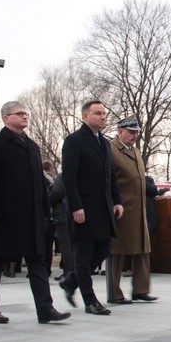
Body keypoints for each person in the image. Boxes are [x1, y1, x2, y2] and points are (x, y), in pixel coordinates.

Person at [0, 101, 72, 325]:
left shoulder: (31, 146)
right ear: (5, 118)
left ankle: (45, 308)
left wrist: (44, 212)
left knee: (37, 263)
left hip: (31, 218)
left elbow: (39, 183)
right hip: (5, 216)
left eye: (25, 113)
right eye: (19, 114)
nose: (24, 117)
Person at [60, 100, 123, 315]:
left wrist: (117, 200)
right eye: (98, 113)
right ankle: (90, 301)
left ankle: (71, 280)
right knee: (84, 255)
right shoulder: (74, 141)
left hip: (103, 209)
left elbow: (110, 176)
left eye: (104, 113)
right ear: (85, 116)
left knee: (103, 250)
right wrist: (76, 207)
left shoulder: (104, 143)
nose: (103, 117)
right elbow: (69, 178)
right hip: (83, 209)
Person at [106, 117, 158, 305]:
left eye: (136, 132)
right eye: (131, 132)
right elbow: (108, 180)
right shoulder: (110, 150)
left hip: (139, 209)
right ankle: (114, 293)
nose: (135, 135)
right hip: (120, 209)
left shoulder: (135, 150)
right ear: (120, 131)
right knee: (117, 251)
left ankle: (140, 290)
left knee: (143, 248)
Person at [49, 171, 74, 280]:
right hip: (75, 214)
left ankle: (69, 272)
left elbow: (56, 193)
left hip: (62, 214)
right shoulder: (79, 175)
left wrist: (48, 201)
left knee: (65, 245)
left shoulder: (62, 176)